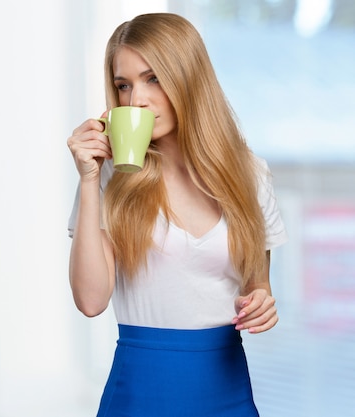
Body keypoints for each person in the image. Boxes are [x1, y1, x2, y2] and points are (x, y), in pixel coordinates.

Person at [66, 13, 288, 417]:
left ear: (188, 78)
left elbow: (257, 285)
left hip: (228, 392)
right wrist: (86, 180)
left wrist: (262, 302)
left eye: (154, 78)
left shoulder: (249, 174)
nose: (137, 100)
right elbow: (91, 300)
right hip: (139, 394)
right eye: (123, 85)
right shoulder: (109, 176)